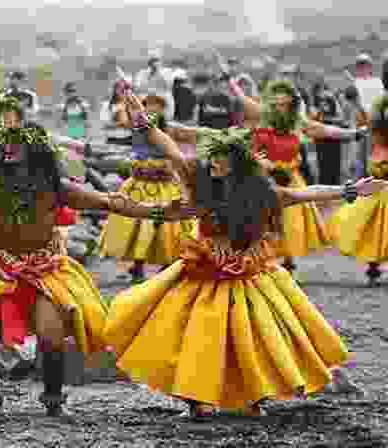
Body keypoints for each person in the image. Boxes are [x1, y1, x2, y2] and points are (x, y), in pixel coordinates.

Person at [0, 89, 184, 418]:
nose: (6, 152)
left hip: (45, 269)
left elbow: (107, 201)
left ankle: (53, 398)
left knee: (51, 335)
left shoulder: (55, 187)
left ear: (34, 153)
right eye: (2, 148)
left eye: (15, 147)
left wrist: (158, 212)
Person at [104, 91, 387, 419]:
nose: (214, 163)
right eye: (212, 158)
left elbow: (303, 193)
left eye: (222, 158)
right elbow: (171, 150)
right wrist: (145, 125)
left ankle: (253, 396)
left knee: (252, 334)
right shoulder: (201, 183)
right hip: (203, 269)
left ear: (239, 162)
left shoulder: (263, 192)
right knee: (193, 332)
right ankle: (195, 400)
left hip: (249, 272)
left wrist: (350, 191)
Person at [223, 64, 368, 275]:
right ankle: (260, 260)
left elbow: (323, 130)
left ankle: (287, 262)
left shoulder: (297, 121)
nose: (281, 107)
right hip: (264, 178)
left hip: (291, 177)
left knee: (291, 222)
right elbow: (242, 99)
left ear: (292, 104)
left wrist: (353, 134)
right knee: (264, 222)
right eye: (277, 103)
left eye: (286, 104)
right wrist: (231, 82)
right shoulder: (261, 114)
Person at [99, 92, 197, 283]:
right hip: (140, 184)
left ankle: (168, 265)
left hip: (165, 183)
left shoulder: (171, 129)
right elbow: (119, 119)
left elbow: (189, 137)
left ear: (163, 109)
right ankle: (137, 266)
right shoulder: (135, 127)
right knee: (136, 226)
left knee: (169, 228)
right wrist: (124, 100)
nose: (152, 109)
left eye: (156, 105)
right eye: (148, 105)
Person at [328, 93, 388, 286]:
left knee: (376, 226)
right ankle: (372, 267)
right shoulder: (377, 121)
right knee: (373, 226)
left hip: (378, 174)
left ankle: (373, 267)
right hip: (378, 181)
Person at [311, 82, 349, 186]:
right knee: (324, 170)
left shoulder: (335, 115)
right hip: (322, 145)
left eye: (326, 102)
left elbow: (343, 123)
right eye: (322, 102)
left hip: (334, 145)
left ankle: (335, 188)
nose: (324, 105)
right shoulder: (316, 113)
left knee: (334, 169)